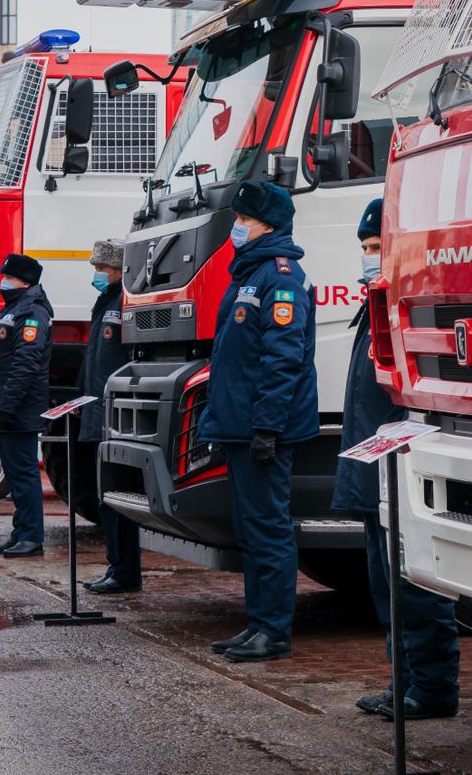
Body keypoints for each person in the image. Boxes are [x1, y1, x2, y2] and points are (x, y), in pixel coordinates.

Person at [333, 199, 460, 720]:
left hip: (403, 470)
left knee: (415, 587)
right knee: (385, 586)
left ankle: (430, 688)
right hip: (373, 470)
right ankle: (401, 682)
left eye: (377, 247)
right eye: (364, 248)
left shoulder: (416, 303)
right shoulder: (374, 304)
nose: (369, 257)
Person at [199, 180, 318, 663]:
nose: (237, 228)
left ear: (268, 224)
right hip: (241, 425)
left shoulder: (280, 275)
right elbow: (232, 359)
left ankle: (274, 629)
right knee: (251, 529)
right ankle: (258, 624)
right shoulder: (250, 273)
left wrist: (267, 426)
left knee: (269, 528)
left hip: (264, 429)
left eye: (244, 220)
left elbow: (282, 358)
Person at [78, 238, 142, 594]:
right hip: (99, 412)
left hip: (114, 415)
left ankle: (124, 570)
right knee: (106, 498)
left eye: (102, 268)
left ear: (119, 269)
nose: (97, 275)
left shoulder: (123, 302)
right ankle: (117, 566)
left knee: (115, 498)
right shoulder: (105, 303)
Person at [0, 253, 53, 559]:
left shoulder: (32, 312)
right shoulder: (15, 307)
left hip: (18, 410)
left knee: (24, 474)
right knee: (15, 473)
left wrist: (8, 405)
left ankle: (31, 537)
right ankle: (20, 531)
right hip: (7, 408)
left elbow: (26, 363)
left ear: (23, 280)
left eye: (8, 277)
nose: (3, 281)